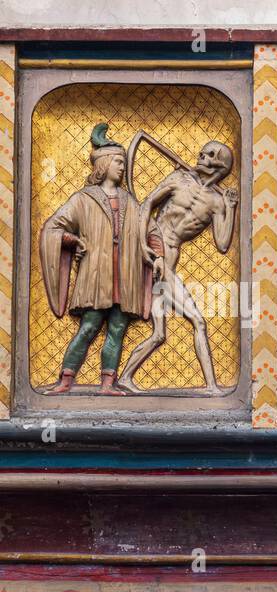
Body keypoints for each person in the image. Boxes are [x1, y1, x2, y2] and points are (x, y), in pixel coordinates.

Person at [39, 123, 161, 395]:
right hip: (97, 273)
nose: (122, 167)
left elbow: (150, 230)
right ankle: (66, 379)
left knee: (117, 328)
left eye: (123, 162)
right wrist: (74, 240)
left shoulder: (130, 201)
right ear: (104, 164)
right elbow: (54, 227)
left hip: (125, 274)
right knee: (89, 326)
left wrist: (160, 256)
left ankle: (108, 383)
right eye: (118, 161)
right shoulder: (84, 199)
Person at [120, 140, 239, 394]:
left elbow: (223, 244)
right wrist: (143, 246)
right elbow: (147, 205)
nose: (201, 156)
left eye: (208, 155)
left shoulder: (217, 202)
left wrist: (231, 208)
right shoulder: (179, 178)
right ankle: (212, 386)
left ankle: (125, 377)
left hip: (168, 265)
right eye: (201, 152)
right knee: (197, 321)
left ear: (220, 165)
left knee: (160, 334)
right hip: (151, 256)